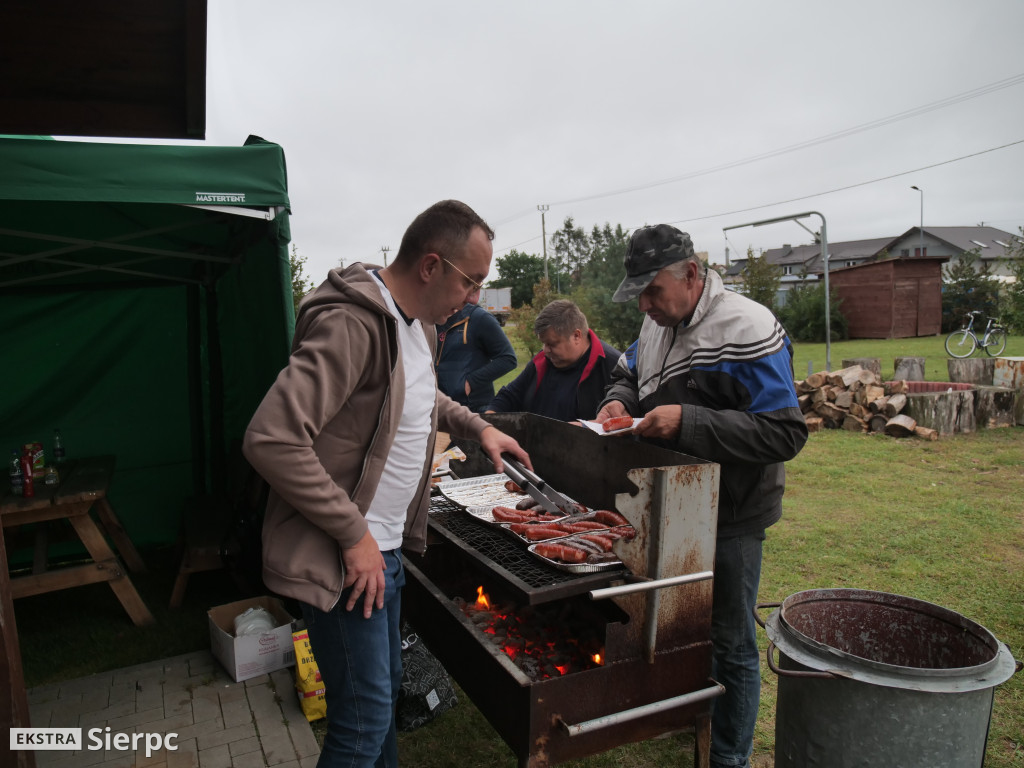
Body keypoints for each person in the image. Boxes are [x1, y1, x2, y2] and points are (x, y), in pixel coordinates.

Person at [243, 200, 531, 768]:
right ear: (431, 266)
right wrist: (354, 536)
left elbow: (422, 398)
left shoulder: (417, 324)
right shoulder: (352, 324)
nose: (476, 296)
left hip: (386, 549)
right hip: (347, 555)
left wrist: (480, 430)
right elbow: (271, 438)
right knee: (363, 717)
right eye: (471, 280)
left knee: (381, 697)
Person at [595, 224, 807, 768]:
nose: (645, 304)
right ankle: (685, 714)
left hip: (732, 511)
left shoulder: (747, 325)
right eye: (638, 293)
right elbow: (626, 373)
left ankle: (729, 758)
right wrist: (618, 402)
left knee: (731, 642)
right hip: (668, 504)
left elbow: (784, 434)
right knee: (676, 622)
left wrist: (688, 422)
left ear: (691, 274)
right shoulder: (655, 322)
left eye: (653, 291)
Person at [487, 299, 621, 421]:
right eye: (543, 343)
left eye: (551, 344)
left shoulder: (613, 366)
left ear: (576, 336)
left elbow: (625, 423)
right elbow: (511, 395)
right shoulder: (542, 360)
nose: (545, 350)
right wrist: (489, 420)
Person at [435, 297, 517, 412]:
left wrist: (471, 382)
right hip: (440, 408)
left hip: (474, 408)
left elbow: (508, 358)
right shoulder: (430, 320)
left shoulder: (479, 318)